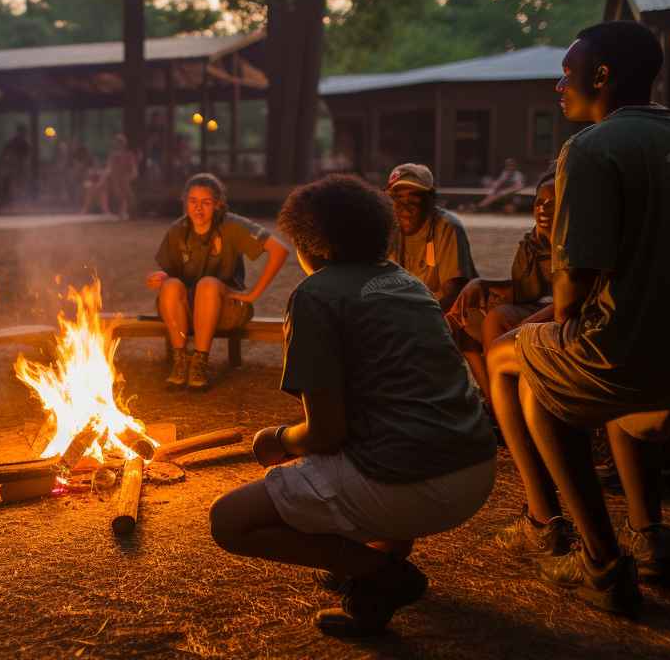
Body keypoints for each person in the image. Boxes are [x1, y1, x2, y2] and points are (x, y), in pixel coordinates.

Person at [486, 21, 670, 618]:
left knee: (517, 361)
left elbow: (572, 287)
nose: (559, 84)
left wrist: (556, 317)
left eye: (567, 71)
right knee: (575, 368)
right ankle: (654, 541)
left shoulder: (590, 149)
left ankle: (576, 545)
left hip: (630, 360)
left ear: (602, 76)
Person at [208, 176, 496, 638]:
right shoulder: (408, 283)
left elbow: (325, 434)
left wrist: (276, 440)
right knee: (390, 429)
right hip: (474, 470)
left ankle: (382, 575)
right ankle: (377, 567)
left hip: (410, 482)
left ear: (308, 244)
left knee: (229, 521)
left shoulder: (316, 294)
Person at [146, 173, 288, 390]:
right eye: (193, 202)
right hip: (190, 312)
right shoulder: (178, 230)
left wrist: (253, 294)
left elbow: (279, 250)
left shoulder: (232, 225)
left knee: (208, 284)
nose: (198, 209)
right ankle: (181, 361)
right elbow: (172, 277)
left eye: (206, 202)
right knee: (171, 286)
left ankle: (200, 363)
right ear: (185, 202)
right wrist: (162, 278)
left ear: (218, 204)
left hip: (226, 309)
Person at [446, 167, 556, 397]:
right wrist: (482, 285)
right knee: (467, 316)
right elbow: (526, 290)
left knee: (496, 318)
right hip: (537, 307)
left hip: (562, 318)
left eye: (552, 203)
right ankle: (491, 398)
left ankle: (504, 398)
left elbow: (569, 301)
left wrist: (517, 326)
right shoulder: (535, 240)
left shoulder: (573, 244)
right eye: (539, 202)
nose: (542, 209)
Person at [386, 163, 478, 312]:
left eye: (414, 199)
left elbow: (454, 292)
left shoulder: (446, 227)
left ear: (430, 200)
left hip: (438, 313)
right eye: (398, 198)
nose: (405, 207)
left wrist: (421, 319)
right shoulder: (387, 228)